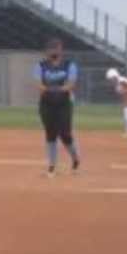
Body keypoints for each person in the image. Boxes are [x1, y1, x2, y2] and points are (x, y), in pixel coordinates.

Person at [34, 38, 81, 177]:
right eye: (50, 49)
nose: (53, 51)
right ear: (47, 51)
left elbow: (71, 84)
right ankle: (52, 166)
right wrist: (52, 90)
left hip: (64, 103)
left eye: (56, 48)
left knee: (65, 133)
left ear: (61, 50)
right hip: (46, 103)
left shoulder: (69, 65)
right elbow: (38, 84)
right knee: (51, 134)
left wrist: (55, 90)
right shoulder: (41, 66)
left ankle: (75, 158)